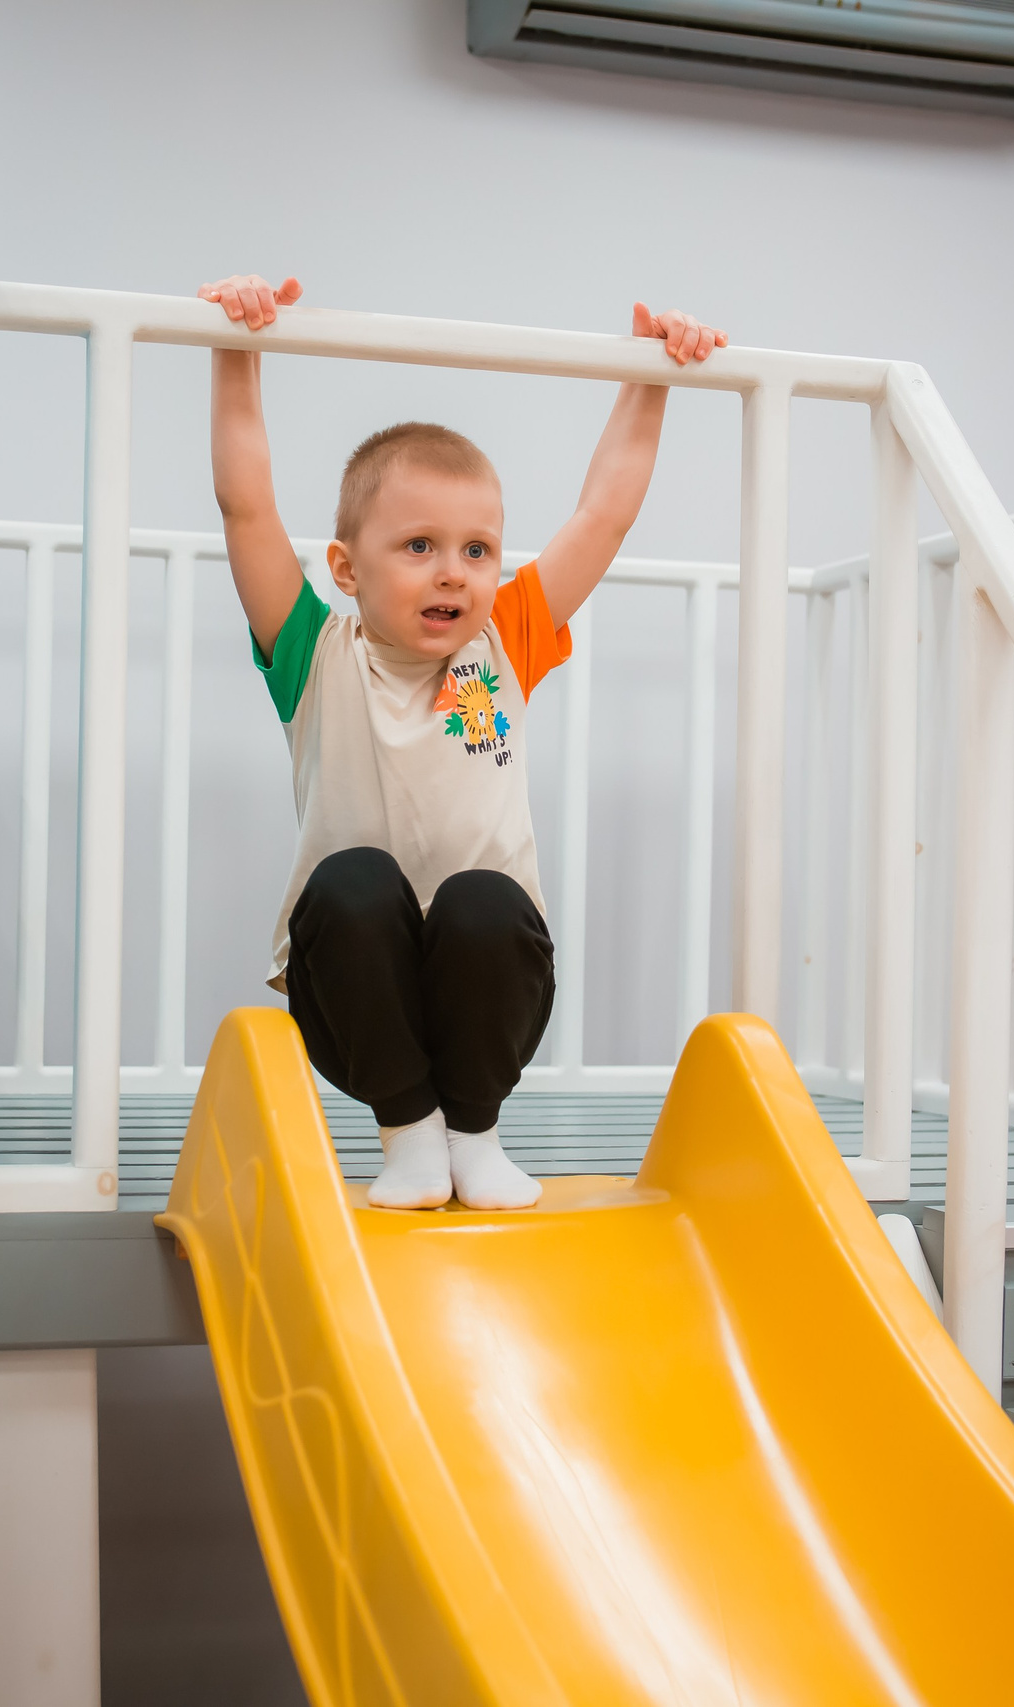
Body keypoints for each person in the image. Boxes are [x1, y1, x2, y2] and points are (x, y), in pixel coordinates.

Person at [203, 272, 726, 1211]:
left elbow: (603, 513)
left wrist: (653, 376)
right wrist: (235, 352)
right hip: (354, 998)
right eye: (419, 547)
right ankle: (409, 1135)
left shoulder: (504, 645)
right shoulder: (315, 654)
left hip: (492, 988)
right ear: (345, 569)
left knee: (483, 897)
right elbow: (247, 507)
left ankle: (474, 1135)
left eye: (477, 549)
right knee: (353, 880)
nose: (454, 572)